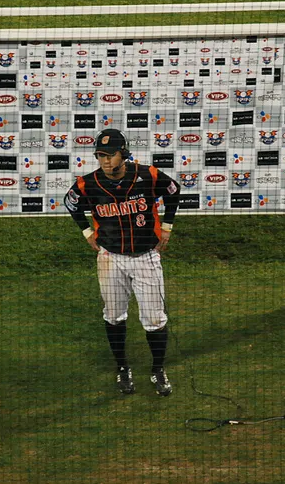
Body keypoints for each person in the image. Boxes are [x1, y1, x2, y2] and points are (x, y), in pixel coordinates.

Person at [64, 129, 180, 396]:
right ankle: (122, 367)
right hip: (110, 259)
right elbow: (71, 204)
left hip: (146, 258)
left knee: (155, 319)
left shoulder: (147, 175)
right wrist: (86, 231)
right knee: (114, 316)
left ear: (123, 154)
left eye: (110, 155)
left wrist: (167, 226)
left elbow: (173, 191)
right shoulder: (88, 183)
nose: (105, 161)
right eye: (100, 155)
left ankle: (158, 369)